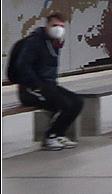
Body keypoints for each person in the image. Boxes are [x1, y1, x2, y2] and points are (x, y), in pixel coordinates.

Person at [8, 11, 84, 150]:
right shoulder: (34, 42)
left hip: (48, 86)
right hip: (31, 90)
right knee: (65, 104)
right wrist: (35, 85)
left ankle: (59, 134)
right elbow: (22, 66)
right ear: (47, 26)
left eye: (61, 26)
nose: (58, 29)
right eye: (54, 25)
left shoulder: (54, 43)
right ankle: (50, 137)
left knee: (77, 101)